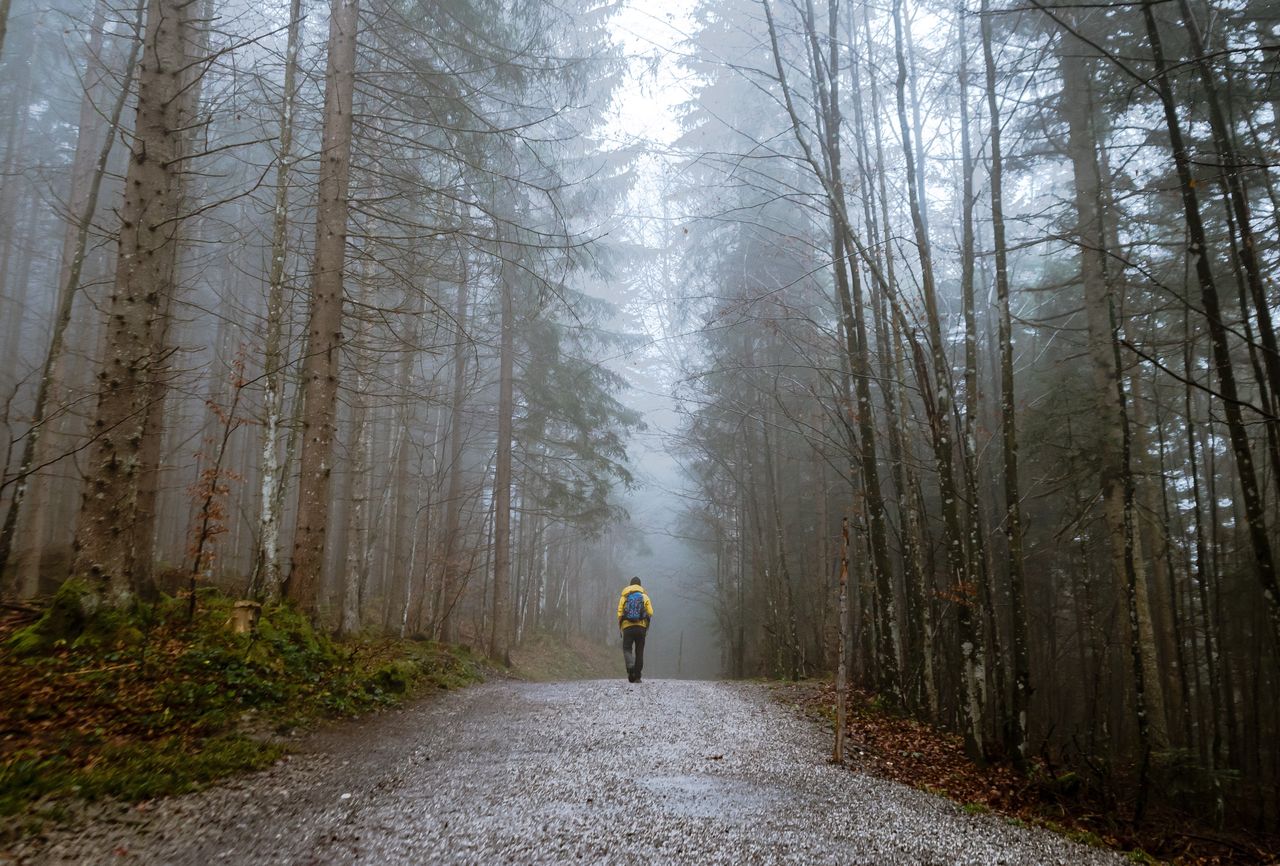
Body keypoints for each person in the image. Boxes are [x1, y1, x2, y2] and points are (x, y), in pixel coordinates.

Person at [616, 577, 653, 683]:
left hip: (627, 627)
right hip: (641, 628)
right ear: (640, 586)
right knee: (639, 651)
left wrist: (623, 623)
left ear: (630, 585)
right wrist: (643, 616)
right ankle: (637, 677)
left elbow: (619, 613)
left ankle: (630, 666)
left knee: (627, 649)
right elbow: (651, 612)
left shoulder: (624, 597)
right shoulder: (644, 596)